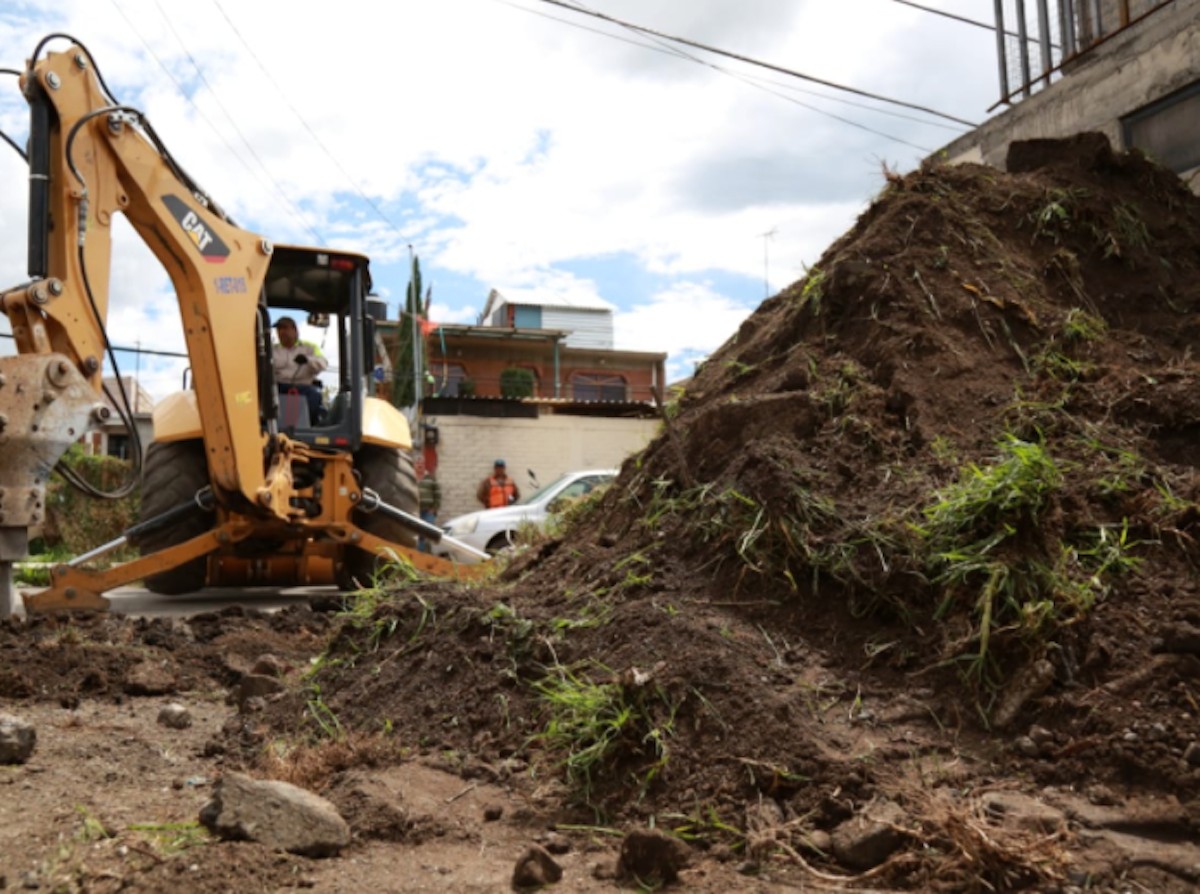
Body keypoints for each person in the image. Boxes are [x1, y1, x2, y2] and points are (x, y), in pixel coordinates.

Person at [272, 316, 328, 423]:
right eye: (279, 329)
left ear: (294, 330)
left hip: (303, 387)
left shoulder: (310, 347)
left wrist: (308, 359)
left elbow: (323, 364)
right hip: (279, 386)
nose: (281, 332)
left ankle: (310, 425)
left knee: (315, 394)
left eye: (284, 328)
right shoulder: (272, 350)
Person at [416, 458, 441, 553]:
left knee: (426, 530)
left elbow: (438, 494)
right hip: (415, 510)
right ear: (414, 465)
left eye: (422, 464)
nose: (420, 465)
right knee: (416, 532)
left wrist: (434, 508)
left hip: (428, 511)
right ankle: (419, 552)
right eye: (418, 463)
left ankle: (422, 551)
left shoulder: (430, 478)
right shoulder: (411, 477)